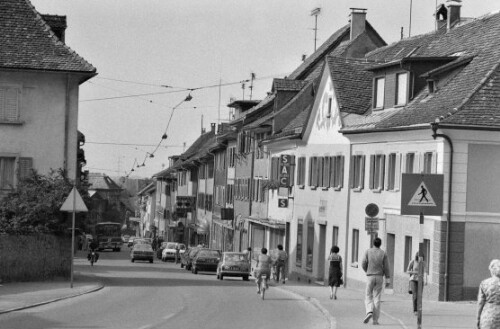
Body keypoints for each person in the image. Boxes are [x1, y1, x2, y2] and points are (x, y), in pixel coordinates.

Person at [361, 237, 391, 325]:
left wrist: (367, 270)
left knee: (368, 295)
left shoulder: (368, 251)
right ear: (380, 244)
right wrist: (388, 279)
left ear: (373, 243)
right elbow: (386, 266)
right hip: (379, 277)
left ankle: (369, 311)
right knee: (377, 297)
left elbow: (363, 263)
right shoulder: (383, 253)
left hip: (370, 276)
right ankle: (375, 320)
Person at [477, 259, 500, 329]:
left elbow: (480, 302)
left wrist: (478, 318)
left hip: (489, 317)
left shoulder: (484, 283)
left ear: (492, 270)